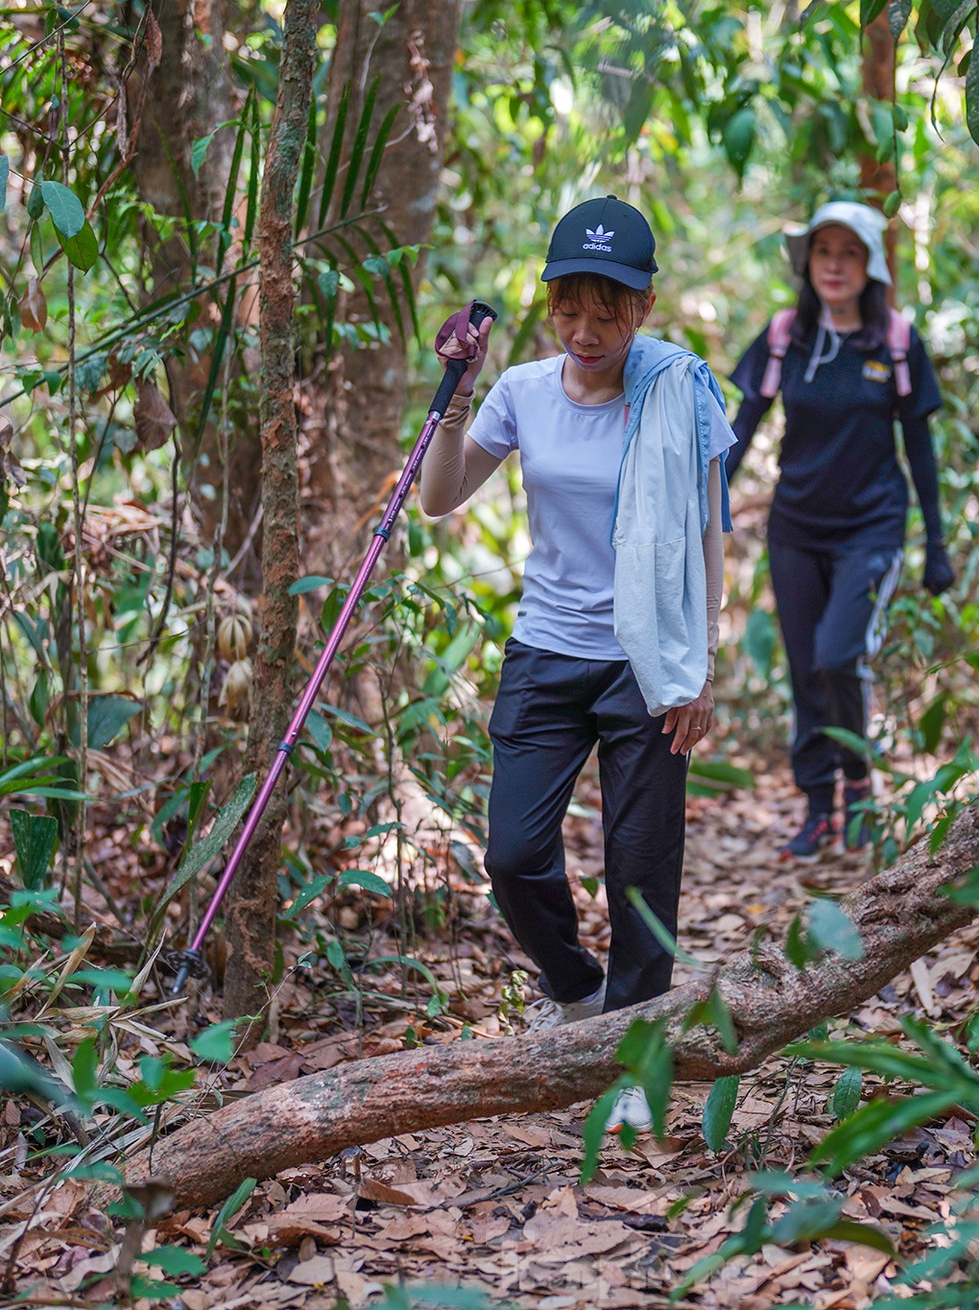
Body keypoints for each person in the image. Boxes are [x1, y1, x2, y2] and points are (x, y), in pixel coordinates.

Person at [420, 195, 734, 1132]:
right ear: (550, 303)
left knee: (642, 866)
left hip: (645, 660)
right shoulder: (521, 389)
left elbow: (711, 531)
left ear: (643, 306)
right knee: (513, 854)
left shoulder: (681, 389)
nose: (586, 331)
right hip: (547, 649)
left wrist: (700, 666)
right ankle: (577, 993)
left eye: (609, 311)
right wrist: (458, 394)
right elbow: (439, 498)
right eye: (569, 310)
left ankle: (638, 1059)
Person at [725, 200, 954, 862]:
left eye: (848, 252)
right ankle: (818, 806)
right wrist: (704, 498)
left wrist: (936, 545)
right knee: (804, 671)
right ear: (808, 263)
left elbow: (921, 451)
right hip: (795, 528)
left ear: (869, 265)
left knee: (836, 654)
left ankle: (859, 785)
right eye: (823, 251)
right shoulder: (784, 338)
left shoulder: (896, 342)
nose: (833, 264)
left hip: (872, 528)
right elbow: (744, 428)